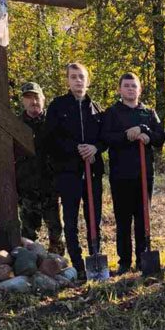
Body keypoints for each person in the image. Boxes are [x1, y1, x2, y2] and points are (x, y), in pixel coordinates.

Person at [43, 63, 106, 280]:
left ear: (87, 81)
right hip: (68, 173)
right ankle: (78, 264)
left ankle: (95, 258)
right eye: (74, 77)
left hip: (93, 173)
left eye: (82, 77)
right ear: (68, 81)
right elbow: (48, 138)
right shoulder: (58, 106)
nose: (78, 80)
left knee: (94, 218)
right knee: (70, 220)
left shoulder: (96, 109)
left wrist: (95, 147)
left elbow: (104, 138)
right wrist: (74, 148)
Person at [102, 73, 165, 274]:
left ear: (140, 89)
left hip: (144, 175)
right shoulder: (112, 113)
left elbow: (160, 137)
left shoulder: (148, 112)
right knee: (122, 219)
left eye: (134, 86)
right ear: (120, 89)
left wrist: (145, 131)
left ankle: (142, 257)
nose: (130, 89)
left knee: (143, 217)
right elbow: (105, 138)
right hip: (121, 174)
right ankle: (124, 260)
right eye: (126, 86)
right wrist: (125, 135)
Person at [14, 82, 64, 255]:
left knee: (56, 232)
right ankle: (29, 268)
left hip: (51, 187)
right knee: (28, 234)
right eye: (28, 98)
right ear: (23, 101)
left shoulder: (53, 123)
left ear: (43, 99)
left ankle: (59, 267)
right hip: (26, 189)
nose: (33, 102)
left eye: (36, 97)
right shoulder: (14, 125)